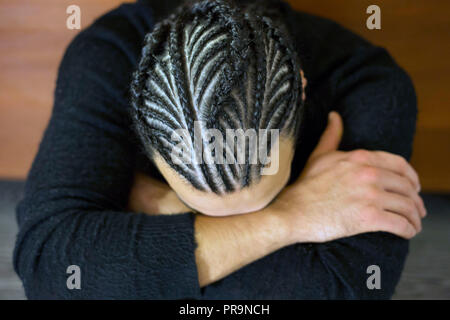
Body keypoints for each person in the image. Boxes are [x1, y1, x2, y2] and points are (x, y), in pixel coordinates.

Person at [14, 0, 425, 299]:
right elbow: (54, 271)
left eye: (261, 203)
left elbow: (343, 288)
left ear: (301, 91)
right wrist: (288, 218)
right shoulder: (109, 53)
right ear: (137, 126)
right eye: (199, 210)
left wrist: (138, 237)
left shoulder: (369, 84)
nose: (236, 228)